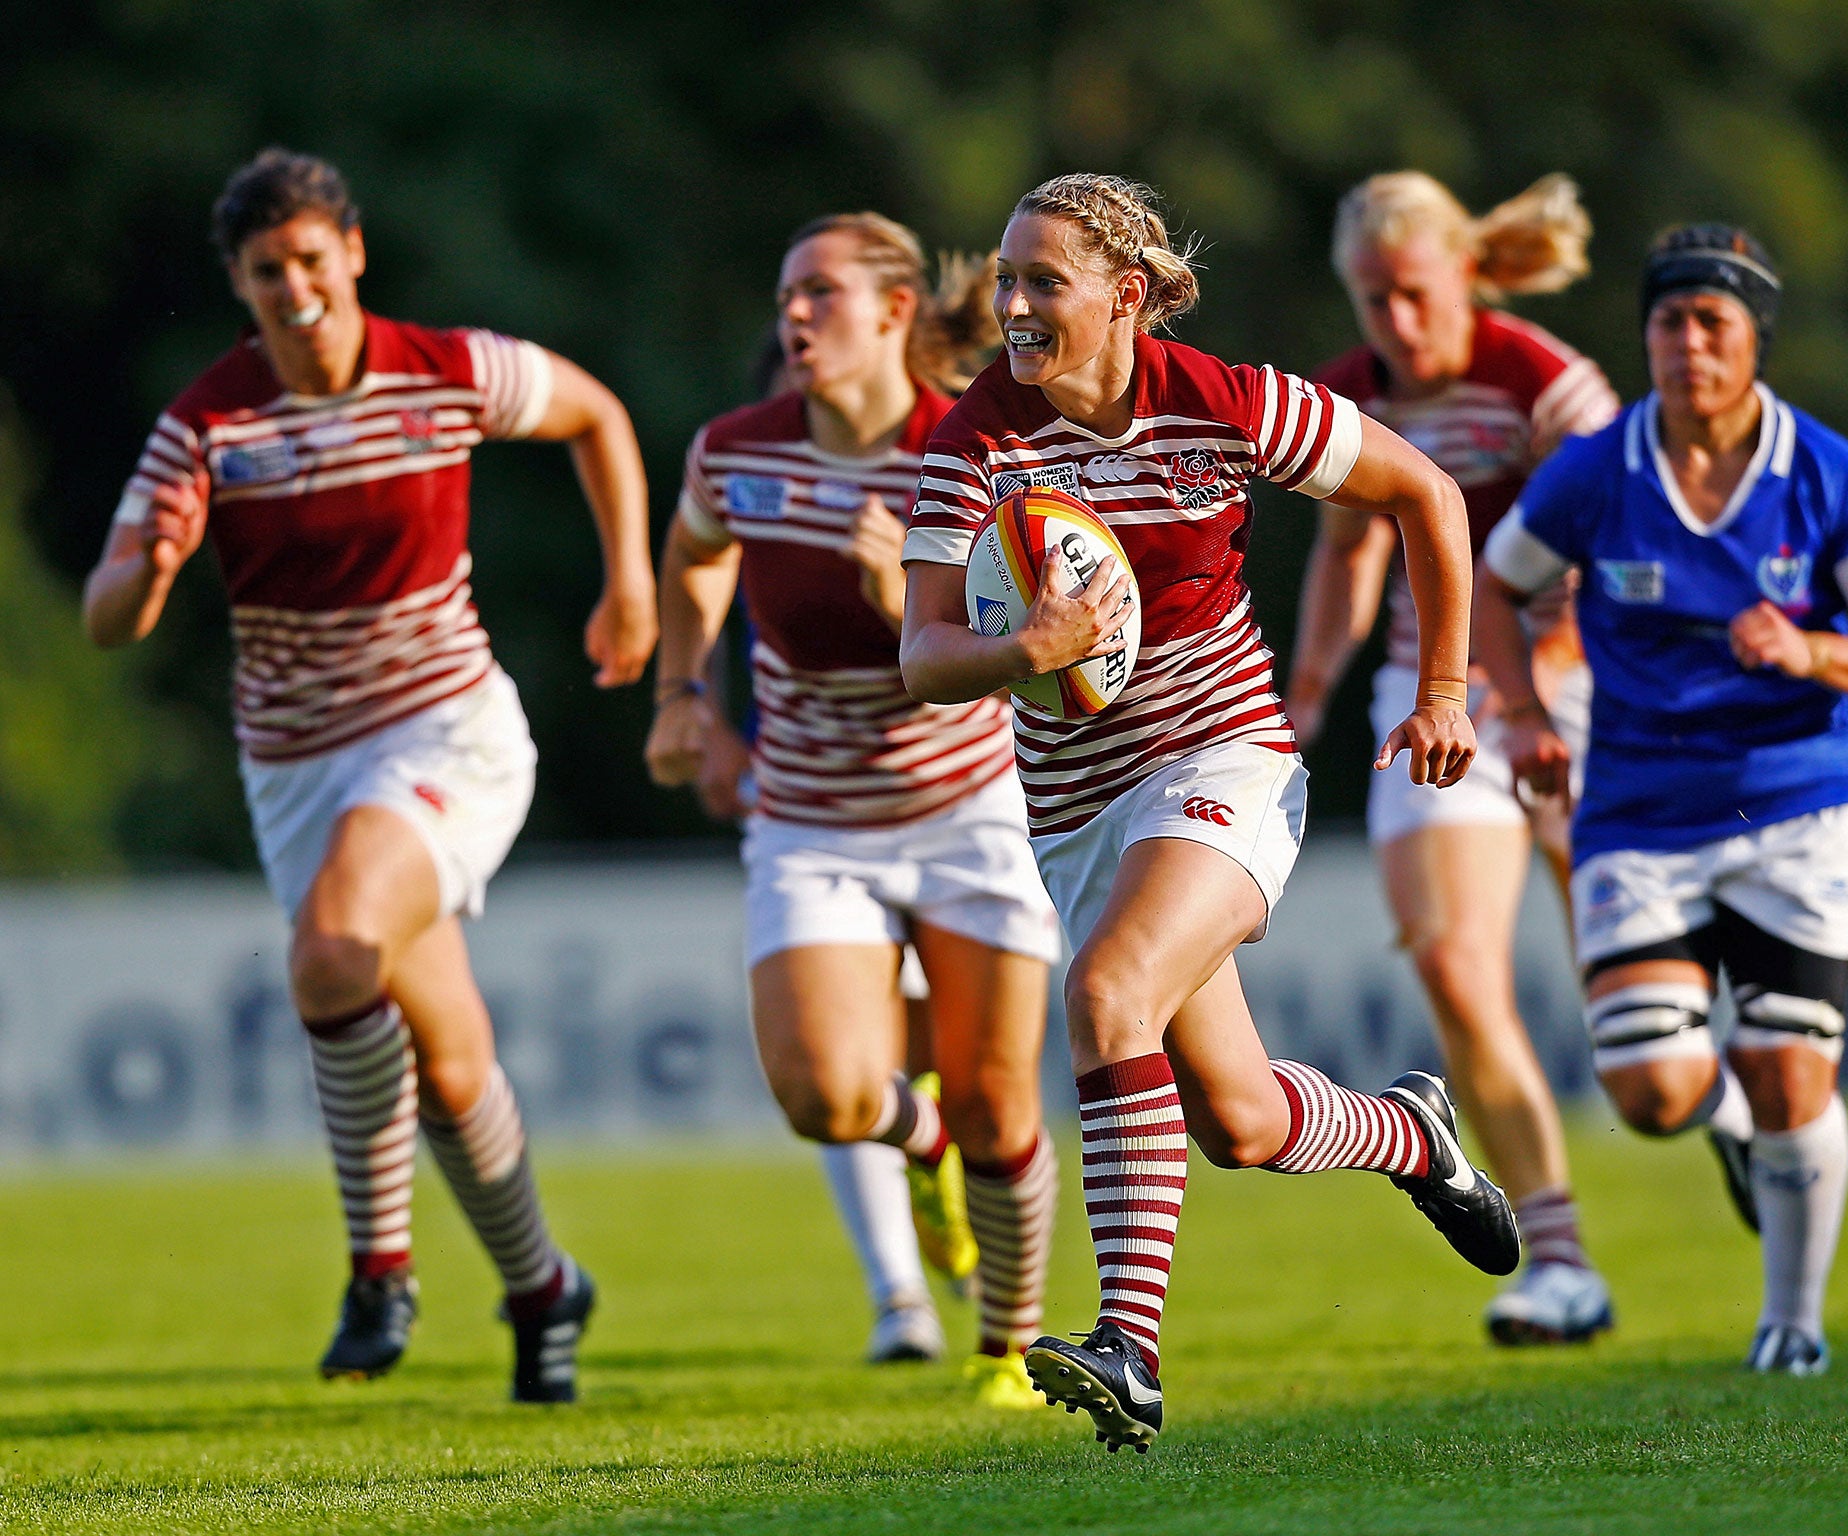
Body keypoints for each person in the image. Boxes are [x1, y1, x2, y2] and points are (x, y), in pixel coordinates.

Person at [901, 172, 1517, 1453]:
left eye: (1040, 281)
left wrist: (1445, 687)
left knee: (1106, 994)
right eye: (1006, 279)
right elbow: (921, 656)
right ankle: (1410, 1136)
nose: (1010, 305)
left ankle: (1128, 1348)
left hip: (1222, 757)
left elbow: (1427, 497)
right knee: (1237, 1119)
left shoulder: (1227, 402)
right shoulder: (972, 440)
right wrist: (1031, 647)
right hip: (1075, 809)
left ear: (1125, 298)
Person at [81, 148, 658, 1401]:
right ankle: (544, 1287)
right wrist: (153, 569)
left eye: (308, 259)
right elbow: (106, 617)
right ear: (237, 285)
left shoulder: (443, 370)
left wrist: (631, 581)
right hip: (296, 771)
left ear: (351, 255)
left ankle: (379, 1269)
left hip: (445, 734)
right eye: (262, 270)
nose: (292, 287)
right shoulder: (208, 423)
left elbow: (597, 415)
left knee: (334, 948)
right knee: (450, 1070)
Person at [1473, 224, 1848, 1374]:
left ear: (1752, 343)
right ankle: (1725, 1124)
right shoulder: (1596, 469)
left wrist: (1813, 653)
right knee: (1648, 1092)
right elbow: (1496, 583)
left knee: (1790, 1067)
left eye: (1711, 323)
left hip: (1800, 802)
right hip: (1638, 807)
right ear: (1641, 335)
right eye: (1666, 321)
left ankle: (1791, 1321)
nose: (1686, 343)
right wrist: (1523, 714)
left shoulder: (1828, 473)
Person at [644, 213, 1062, 1408]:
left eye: (821, 293)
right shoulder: (735, 451)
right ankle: (913, 1146)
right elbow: (692, 553)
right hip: (811, 817)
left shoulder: (980, 450)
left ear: (891, 315)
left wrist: (907, 607)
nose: (794, 314)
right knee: (821, 1094)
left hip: (969, 803)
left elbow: (1039, 641)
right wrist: (685, 693)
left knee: (996, 1104)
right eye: (787, 294)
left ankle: (1009, 1353)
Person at [1284, 172, 1621, 1344]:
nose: (1396, 325)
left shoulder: (1546, 385)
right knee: (1450, 961)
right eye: (1372, 301)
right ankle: (1561, 1259)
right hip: (1430, 698)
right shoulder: (1352, 393)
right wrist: (1312, 683)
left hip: (1580, 684)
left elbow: (1625, 551)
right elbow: (1342, 555)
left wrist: (1540, 692)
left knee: (1628, 982)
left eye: (1414, 295)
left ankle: (1721, 1103)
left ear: (1467, 277)